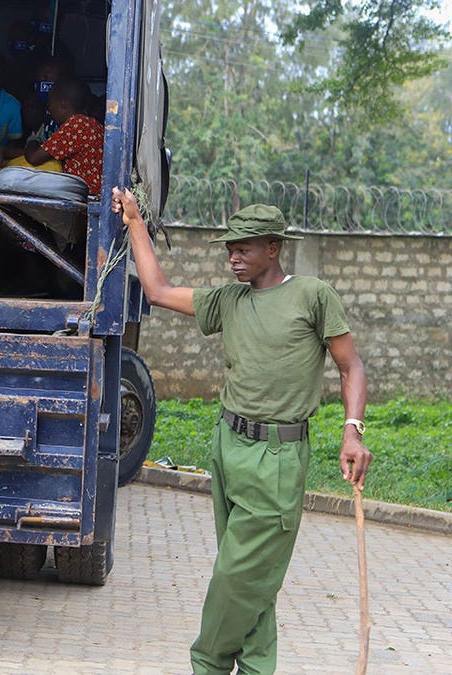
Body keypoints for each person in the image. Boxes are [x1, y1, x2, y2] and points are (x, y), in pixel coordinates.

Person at [110, 192, 373, 675]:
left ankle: (207, 662)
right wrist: (133, 222)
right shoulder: (228, 300)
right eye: (229, 249)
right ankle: (254, 668)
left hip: (278, 456)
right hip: (227, 446)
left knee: (236, 576)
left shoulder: (312, 296)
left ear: (273, 248)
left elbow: (350, 366)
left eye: (244, 249)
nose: (233, 257)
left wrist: (352, 432)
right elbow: (158, 291)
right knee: (253, 581)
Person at [23, 79, 103, 195]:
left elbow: (34, 158)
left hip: (87, 197)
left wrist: (33, 140)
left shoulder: (75, 124)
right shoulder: (92, 123)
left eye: (50, 104)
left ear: (63, 103)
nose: (49, 109)